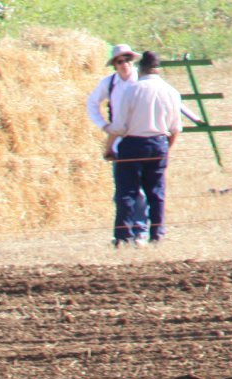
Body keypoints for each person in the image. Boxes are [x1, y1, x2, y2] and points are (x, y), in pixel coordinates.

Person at [107, 50, 184, 245]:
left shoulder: (132, 90)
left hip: (133, 143)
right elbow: (175, 128)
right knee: (156, 192)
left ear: (141, 69)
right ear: (158, 69)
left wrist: (109, 147)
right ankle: (157, 234)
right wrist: (166, 149)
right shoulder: (171, 92)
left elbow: (119, 126)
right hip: (159, 143)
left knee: (127, 192)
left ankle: (124, 236)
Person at [87, 44, 138, 245]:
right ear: (115, 65)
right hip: (119, 142)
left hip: (141, 138)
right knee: (123, 191)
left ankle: (140, 230)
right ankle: (126, 233)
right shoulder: (109, 83)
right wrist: (104, 126)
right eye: (120, 61)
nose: (125, 64)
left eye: (128, 60)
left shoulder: (142, 81)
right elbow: (92, 103)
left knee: (142, 191)